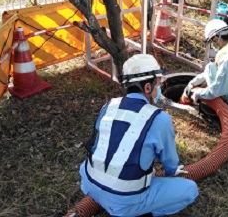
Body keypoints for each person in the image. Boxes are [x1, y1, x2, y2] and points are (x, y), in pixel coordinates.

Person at [79, 54, 198, 217]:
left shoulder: (109, 105)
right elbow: (170, 164)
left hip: (89, 184)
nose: (160, 89)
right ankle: (141, 211)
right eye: (158, 84)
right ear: (148, 88)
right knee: (189, 190)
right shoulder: (159, 119)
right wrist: (171, 173)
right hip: (124, 201)